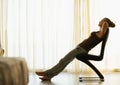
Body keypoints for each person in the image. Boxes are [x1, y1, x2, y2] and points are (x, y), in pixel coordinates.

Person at [36, 17, 115, 81]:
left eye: (101, 20)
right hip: (80, 49)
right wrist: (105, 22)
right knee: (64, 62)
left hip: (81, 50)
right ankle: (49, 76)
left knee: (63, 61)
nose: (99, 21)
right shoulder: (100, 32)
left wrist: (106, 22)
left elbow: (105, 25)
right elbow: (104, 26)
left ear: (105, 23)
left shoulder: (102, 32)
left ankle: (46, 73)